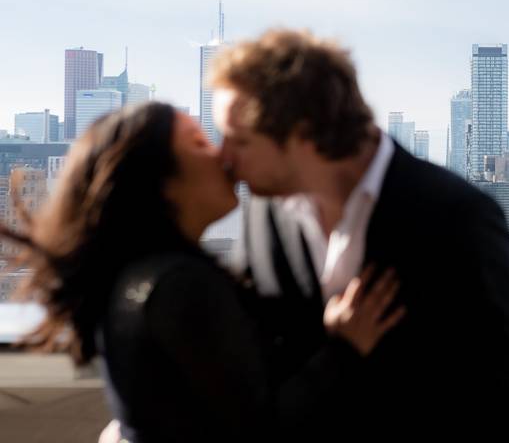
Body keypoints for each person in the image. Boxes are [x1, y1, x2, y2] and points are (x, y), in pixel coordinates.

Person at [0, 102, 403, 442]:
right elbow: (261, 430)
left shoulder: (141, 277)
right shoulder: (178, 288)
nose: (223, 154)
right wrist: (344, 349)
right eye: (200, 143)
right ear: (160, 183)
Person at [211, 29, 509, 441]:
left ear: (302, 134)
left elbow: (503, 407)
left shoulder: (456, 219)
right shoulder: (265, 212)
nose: (222, 157)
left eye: (239, 140)